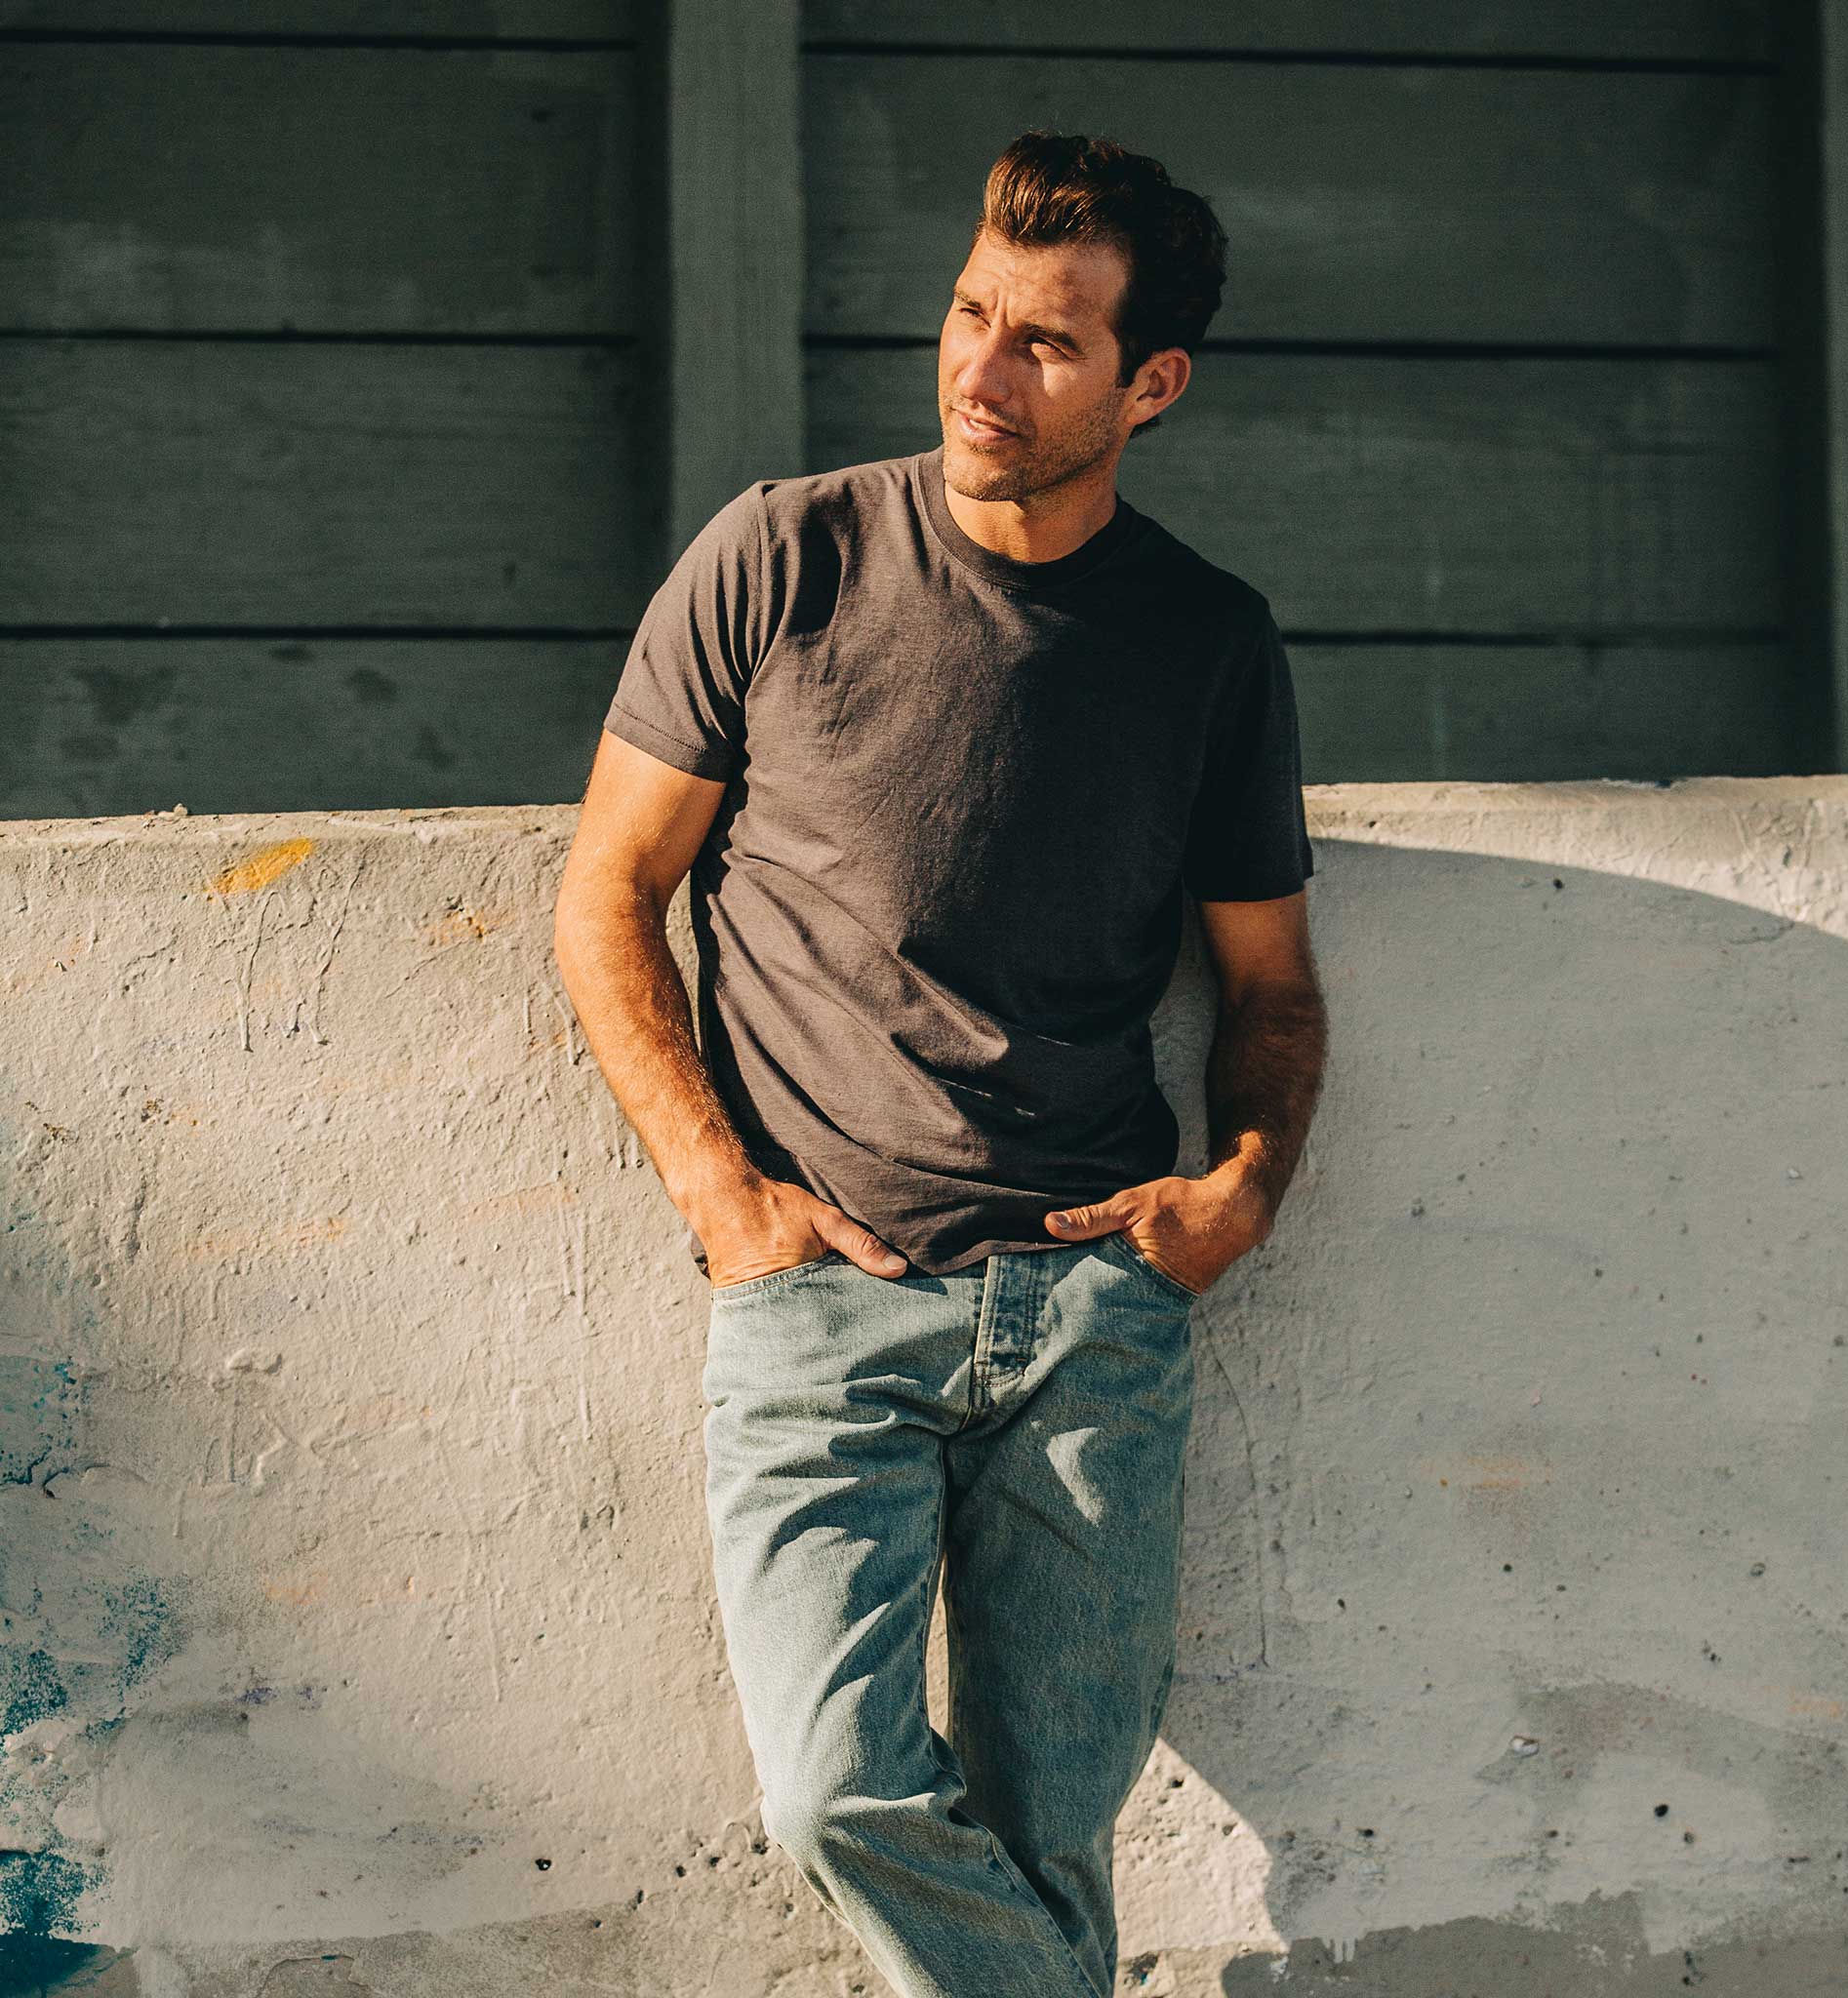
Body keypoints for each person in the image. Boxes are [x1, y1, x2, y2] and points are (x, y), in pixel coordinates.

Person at [553, 129, 1327, 1998]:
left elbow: (1271, 984)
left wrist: (1241, 1191)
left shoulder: (1208, 641)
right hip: (823, 1297)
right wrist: (720, 1197)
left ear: (1151, 383)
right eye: (973, 313)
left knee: (1056, 1831)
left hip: (1092, 1311)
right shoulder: (781, 556)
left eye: (1048, 343)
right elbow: (608, 892)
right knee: (833, 1794)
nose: (982, 372)